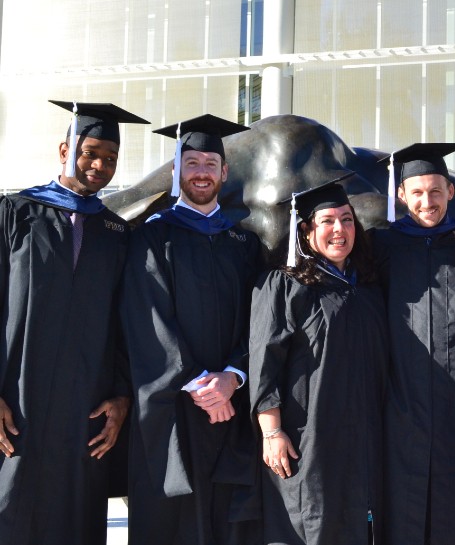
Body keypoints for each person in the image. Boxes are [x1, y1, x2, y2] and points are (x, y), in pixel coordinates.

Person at [0, 101, 148, 545]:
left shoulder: (118, 234)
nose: (100, 164)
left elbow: (129, 325)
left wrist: (122, 396)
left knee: (76, 519)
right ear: (65, 149)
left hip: (85, 407)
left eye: (110, 158)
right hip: (16, 402)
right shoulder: (15, 212)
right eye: (91, 152)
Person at [122, 114, 263, 545]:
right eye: (192, 163)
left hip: (233, 406)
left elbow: (262, 321)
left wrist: (233, 376)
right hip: (174, 408)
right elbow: (146, 319)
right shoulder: (151, 237)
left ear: (224, 172)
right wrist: (200, 384)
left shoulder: (244, 242)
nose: (201, 172)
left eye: (209, 164)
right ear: (176, 170)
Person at [249, 176, 388, 545]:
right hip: (309, 435)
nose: (339, 229)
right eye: (327, 221)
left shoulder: (369, 285)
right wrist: (272, 432)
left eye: (347, 219)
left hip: (365, 433)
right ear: (306, 231)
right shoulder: (285, 284)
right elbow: (265, 363)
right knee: (314, 520)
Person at [371, 142, 455, 544]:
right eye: (417, 192)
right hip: (401, 400)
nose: (428, 201)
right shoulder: (379, 245)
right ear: (401, 195)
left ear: (451, 192)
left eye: (436, 191)